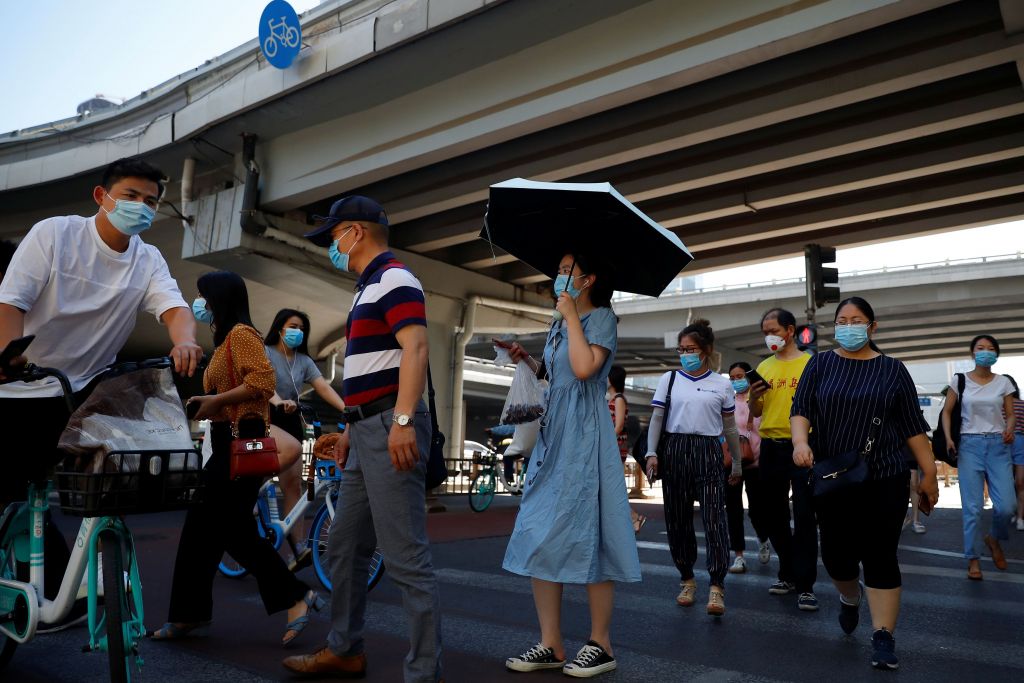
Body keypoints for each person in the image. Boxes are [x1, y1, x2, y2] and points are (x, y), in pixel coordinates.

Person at [0, 157, 201, 615]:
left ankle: (89, 577)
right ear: (102, 196)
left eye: (151, 201)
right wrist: (9, 358)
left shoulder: (148, 258)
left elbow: (173, 307)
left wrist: (185, 340)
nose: (141, 207)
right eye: (130, 196)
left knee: (116, 479)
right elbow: (10, 302)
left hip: (84, 393)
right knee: (14, 493)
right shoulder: (55, 234)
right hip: (20, 387)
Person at [284, 196, 442, 682]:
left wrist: (400, 421)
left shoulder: (394, 277)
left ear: (356, 231)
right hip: (367, 427)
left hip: (389, 426)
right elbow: (374, 366)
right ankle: (345, 650)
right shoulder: (366, 286)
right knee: (344, 546)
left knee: (406, 558)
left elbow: (415, 347)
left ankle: (423, 673)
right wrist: (351, 425)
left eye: (334, 235)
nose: (333, 245)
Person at [152, 271, 317, 645]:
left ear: (220, 299)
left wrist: (215, 402)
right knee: (203, 528)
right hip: (227, 439)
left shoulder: (242, 334)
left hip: (241, 443)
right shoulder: (227, 338)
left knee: (229, 530)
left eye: (204, 297)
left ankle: (294, 597)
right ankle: (187, 616)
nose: (201, 304)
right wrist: (212, 407)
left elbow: (262, 381)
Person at [502, 251, 640, 679]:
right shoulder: (559, 322)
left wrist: (572, 317)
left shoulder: (601, 318)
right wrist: (527, 360)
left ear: (589, 278)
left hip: (585, 433)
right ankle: (551, 642)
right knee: (538, 529)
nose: (559, 278)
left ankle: (601, 643)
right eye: (559, 271)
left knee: (590, 529)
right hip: (553, 435)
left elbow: (583, 370)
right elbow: (554, 376)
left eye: (567, 272)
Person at [791, 296, 938, 671]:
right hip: (833, 475)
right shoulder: (820, 364)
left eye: (857, 320)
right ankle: (849, 595)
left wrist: (930, 474)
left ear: (872, 327)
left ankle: (883, 635)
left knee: (881, 555)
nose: (848, 326)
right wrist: (801, 442)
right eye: (842, 320)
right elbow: (801, 409)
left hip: (885, 476)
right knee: (837, 557)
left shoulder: (892, 370)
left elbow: (912, 427)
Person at [644, 319, 743, 616]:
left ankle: (716, 585)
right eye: (681, 349)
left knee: (714, 519)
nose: (685, 354)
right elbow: (657, 419)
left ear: (707, 351)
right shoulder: (669, 379)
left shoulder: (722, 384)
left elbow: (730, 428)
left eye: (692, 349)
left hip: (709, 452)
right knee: (678, 519)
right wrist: (651, 452)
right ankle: (686, 579)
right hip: (674, 450)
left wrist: (736, 461)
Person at [747, 308, 819, 611]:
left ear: (790, 331)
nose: (769, 336)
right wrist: (753, 395)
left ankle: (805, 585)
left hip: (803, 445)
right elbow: (756, 412)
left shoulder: (811, 364)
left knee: (804, 516)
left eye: (774, 330)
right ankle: (788, 572)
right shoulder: (764, 366)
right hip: (771, 447)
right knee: (770, 514)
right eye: (765, 331)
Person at [264, 308, 346, 555]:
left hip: (291, 420)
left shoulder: (304, 361)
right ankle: (250, 493)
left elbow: (323, 388)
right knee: (265, 471)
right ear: (280, 328)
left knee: (294, 486)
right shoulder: (265, 352)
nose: (297, 332)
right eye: (293, 326)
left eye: (301, 329)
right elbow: (263, 383)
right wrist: (278, 402)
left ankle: (297, 545)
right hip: (267, 415)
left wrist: (348, 409)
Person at [941, 334, 1016, 580]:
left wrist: (1009, 428)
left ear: (997, 354)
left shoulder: (1004, 382)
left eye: (990, 348)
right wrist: (950, 438)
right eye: (980, 348)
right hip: (970, 445)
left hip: (998, 445)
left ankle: (993, 538)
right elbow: (948, 412)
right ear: (973, 353)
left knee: (1007, 506)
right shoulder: (959, 380)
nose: (986, 351)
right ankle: (973, 559)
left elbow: (1010, 413)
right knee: (972, 508)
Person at [724, 361, 770, 572]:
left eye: (740, 376)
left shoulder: (761, 401)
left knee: (757, 509)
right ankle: (739, 556)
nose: (736, 381)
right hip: (732, 463)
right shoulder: (727, 403)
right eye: (732, 377)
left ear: (749, 377)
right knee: (733, 510)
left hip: (757, 464)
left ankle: (762, 538)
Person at [608, 365, 646, 532]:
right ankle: (629, 518)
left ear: (611, 379)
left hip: (614, 448)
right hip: (613, 447)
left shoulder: (618, 399)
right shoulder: (614, 398)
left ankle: (634, 517)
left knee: (612, 486)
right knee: (610, 486)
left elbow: (619, 425)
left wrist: (606, 442)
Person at [1011, 379, 1024, 531]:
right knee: (1007, 483)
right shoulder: (997, 406)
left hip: (1020, 442)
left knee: (1020, 482)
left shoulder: (1022, 404)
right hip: (1001, 444)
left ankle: (1020, 517)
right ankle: (1014, 512)